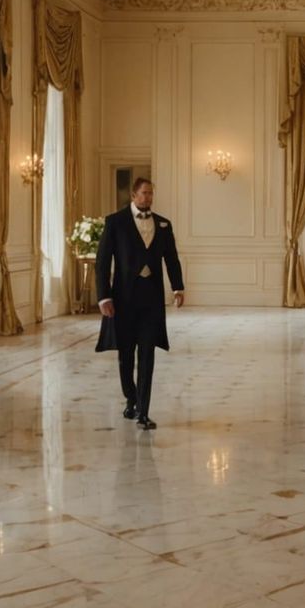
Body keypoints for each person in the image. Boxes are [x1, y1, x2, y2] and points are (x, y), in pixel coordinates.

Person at [96, 178, 185, 430]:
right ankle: (131, 398)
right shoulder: (115, 222)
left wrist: (178, 287)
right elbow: (102, 263)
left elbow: (172, 259)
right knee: (126, 355)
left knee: (147, 354)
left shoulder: (163, 224)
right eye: (144, 193)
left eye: (151, 194)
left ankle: (144, 412)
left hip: (152, 300)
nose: (148, 198)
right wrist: (104, 297)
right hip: (123, 301)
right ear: (134, 195)